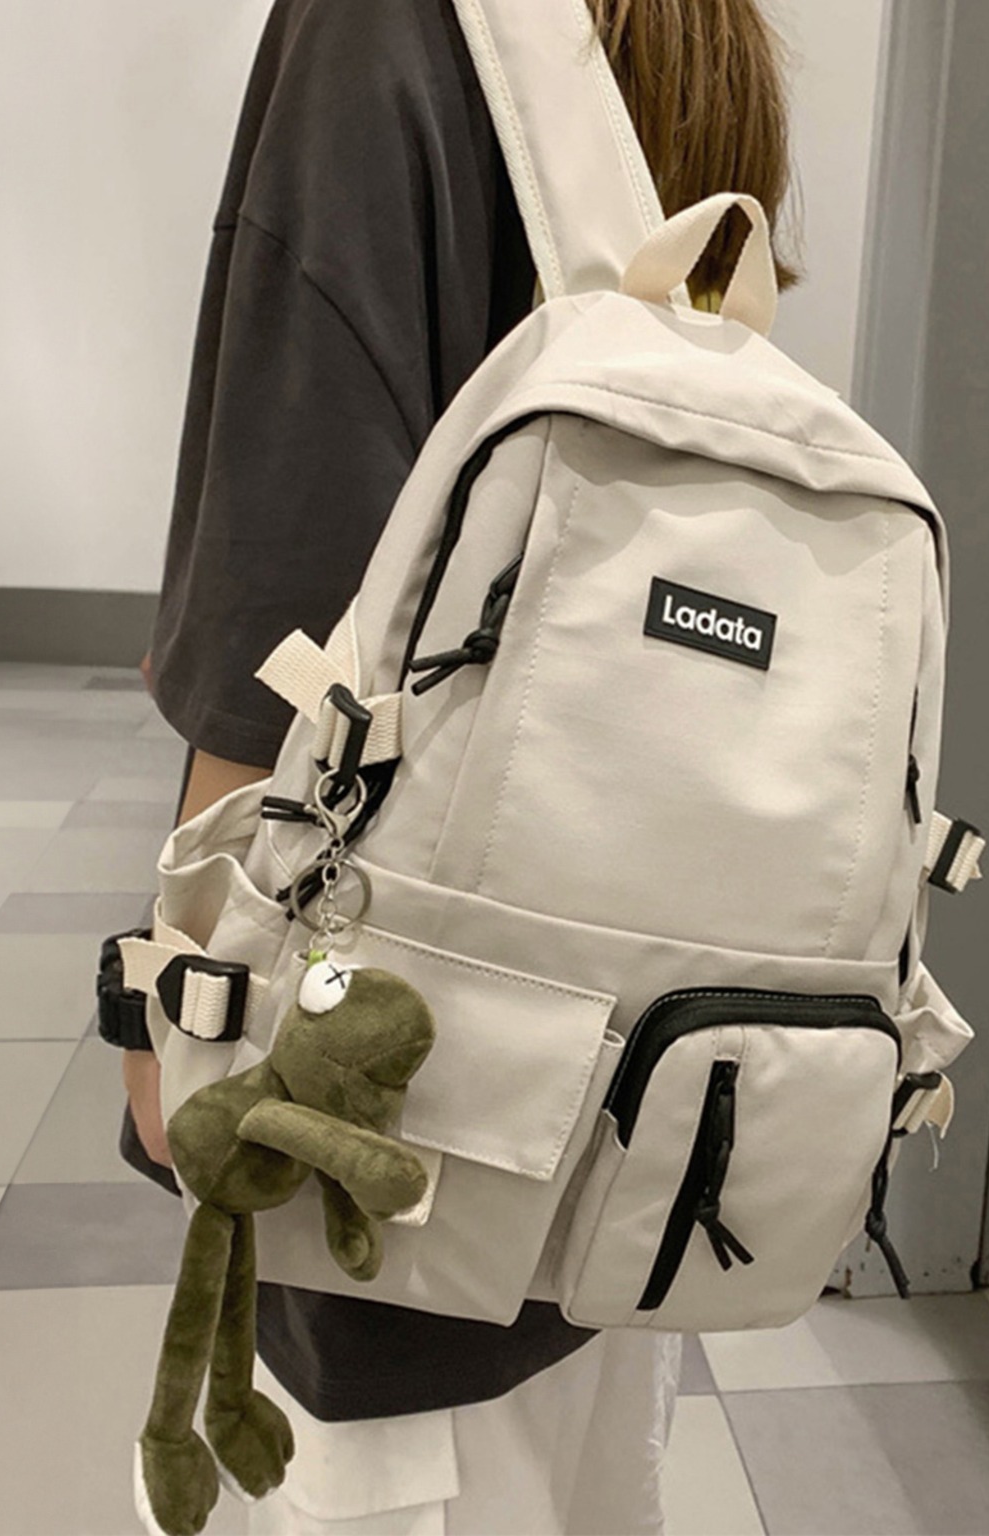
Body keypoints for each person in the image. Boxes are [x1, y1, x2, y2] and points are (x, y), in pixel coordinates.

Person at [127, 1, 798, 1529]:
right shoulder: (700, 31)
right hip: (638, 1117)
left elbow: (293, 585)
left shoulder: (372, 30)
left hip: (406, 1141)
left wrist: (179, 1003)